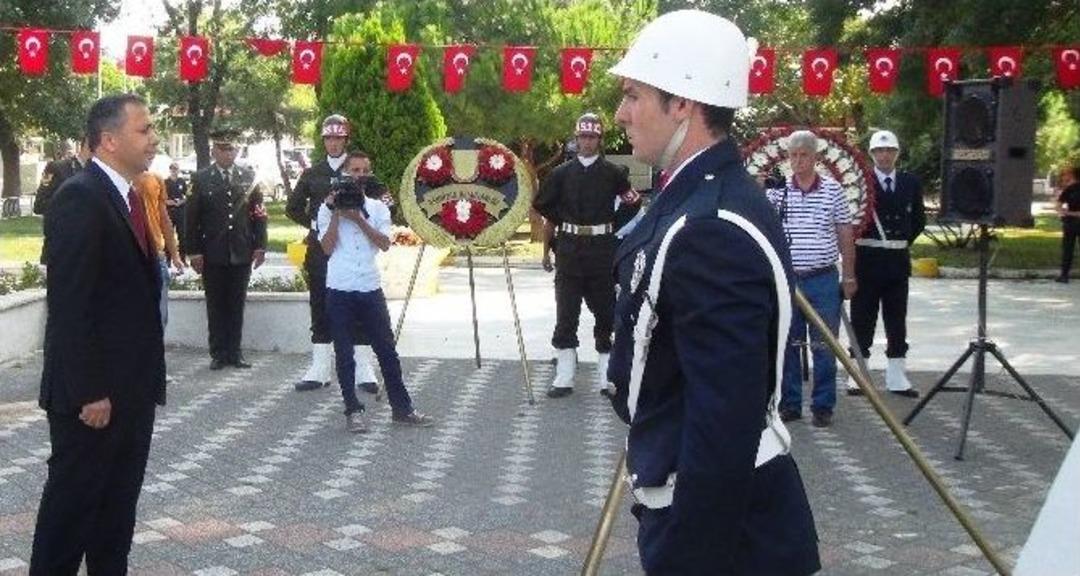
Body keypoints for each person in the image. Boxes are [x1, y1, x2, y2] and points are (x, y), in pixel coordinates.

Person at [605, 10, 820, 574]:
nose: (620, 113)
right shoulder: (696, 198)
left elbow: (724, 420)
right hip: (699, 501)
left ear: (684, 103)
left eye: (633, 95)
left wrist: (691, 555)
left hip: (723, 531)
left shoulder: (711, 226)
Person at [31, 93, 166, 574]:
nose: (153, 138)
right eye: (143, 130)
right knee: (69, 524)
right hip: (92, 402)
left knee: (114, 523)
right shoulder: (80, 197)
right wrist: (90, 391)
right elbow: (70, 303)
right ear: (109, 140)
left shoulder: (130, 194)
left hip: (130, 392)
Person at [318, 151, 434, 432]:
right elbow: (326, 248)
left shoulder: (379, 208)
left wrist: (358, 219)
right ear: (344, 173)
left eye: (363, 171)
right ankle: (352, 410)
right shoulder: (326, 208)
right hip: (340, 286)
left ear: (368, 175)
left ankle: (402, 409)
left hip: (369, 285)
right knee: (344, 352)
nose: (358, 175)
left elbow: (384, 244)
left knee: (386, 350)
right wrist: (336, 214)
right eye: (353, 170)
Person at [533, 113, 639, 398]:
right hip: (569, 250)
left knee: (605, 311)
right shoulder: (560, 174)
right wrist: (564, 224)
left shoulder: (614, 173)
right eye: (583, 137)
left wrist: (612, 225)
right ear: (576, 138)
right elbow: (541, 203)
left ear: (599, 140)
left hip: (601, 251)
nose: (587, 142)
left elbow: (634, 201)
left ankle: (608, 375)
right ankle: (564, 376)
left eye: (592, 137)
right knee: (566, 312)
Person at [765, 131, 855, 427]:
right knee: (788, 343)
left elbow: (845, 233)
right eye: (793, 155)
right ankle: (790, 404)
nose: (798, 161)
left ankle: (823, 405)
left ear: (815, 157)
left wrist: (849, 275)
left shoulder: (833, 191)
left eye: (804, 155)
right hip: (788, 280)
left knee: (824, 344)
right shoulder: (778, 191)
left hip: (822, 279)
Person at [287, 114, 379, 393]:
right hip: (321, 249)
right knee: (320, 303)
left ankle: (363, 368)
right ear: (323, 140)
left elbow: (381, 204)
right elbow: (292, 207)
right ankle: (320, 368)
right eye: (329, 138)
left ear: (346, 139)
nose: (334, 143)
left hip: (354, 248)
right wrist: (315, 224)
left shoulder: (360, 170)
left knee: (361, 303)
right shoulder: (312, 173)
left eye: (339, 138)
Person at [846, 130, 924, 397]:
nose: (885, 155)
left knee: (896, 319)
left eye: (889, 150)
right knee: (862, 318)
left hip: (897, 261)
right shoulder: (861, 182)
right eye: (879, 151)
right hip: (867, 260)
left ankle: (896, 377)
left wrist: (898, 242)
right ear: (872, 155)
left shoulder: (910, 182)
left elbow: (918, 221)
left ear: (897, 153)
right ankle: (858, 375)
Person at [184, 129, 268, 370]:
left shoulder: (248, 176)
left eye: (231, 148)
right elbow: (192, 218)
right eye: (222, 149)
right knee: (216, 303)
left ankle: (235, 351)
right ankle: (218, 352)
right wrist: (194, 251)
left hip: (241, 250)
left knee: (237, 303)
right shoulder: (201, 179)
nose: (227, 153)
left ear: (237, 150)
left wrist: (260, 245)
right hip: (213, 251)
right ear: (213, 151)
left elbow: (259, 214)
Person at [134, 171, 184, 330]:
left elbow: (164, 219)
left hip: (156, 255)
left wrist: (175, 255)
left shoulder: (155, 179)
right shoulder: (113, 177)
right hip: (127, 255)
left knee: (158, 319)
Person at [33, 138, 90, 264]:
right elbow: (40, 204)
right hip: (62, 249)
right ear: (87, 145)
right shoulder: (58, 168)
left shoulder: (98, 173)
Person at [1055, 165, 1080, 283]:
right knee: (1067, 248)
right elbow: (1058, 204)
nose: (1064, 176)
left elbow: (1058, 205)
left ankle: (1064, 275)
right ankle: (1064, 275)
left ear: (1072, 175)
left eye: (1066, 174)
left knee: (1067, 249)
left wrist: (1065, 213)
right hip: (1071, 221)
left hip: (1070, 223)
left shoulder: (1069, 189)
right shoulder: (1068, 189)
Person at [165, 162, 189, 262]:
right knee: (169, 235)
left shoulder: (181, 181)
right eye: (173, 169)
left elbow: (187, 195)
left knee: (182, 235)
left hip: (180, 211)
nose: (174, 171)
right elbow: (162, 198)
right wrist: (169, 202)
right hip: (170, 210)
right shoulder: (165, 182)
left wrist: (181, 201)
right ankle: (168, 259)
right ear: (170, 170)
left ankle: (182, 259)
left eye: (176, 169)